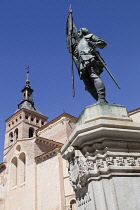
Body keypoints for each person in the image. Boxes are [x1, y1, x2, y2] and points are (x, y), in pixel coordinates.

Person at [73, 28, 107, 103]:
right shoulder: (77, 45)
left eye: (79, 32)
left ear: (83, 32)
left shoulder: (88, 37)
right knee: (88, 86)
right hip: (82, 64)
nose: (77, 33)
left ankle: (101, 98)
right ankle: (99, 100)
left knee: (94, 76)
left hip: (89, 58)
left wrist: (94, 44)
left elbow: (103, 43)